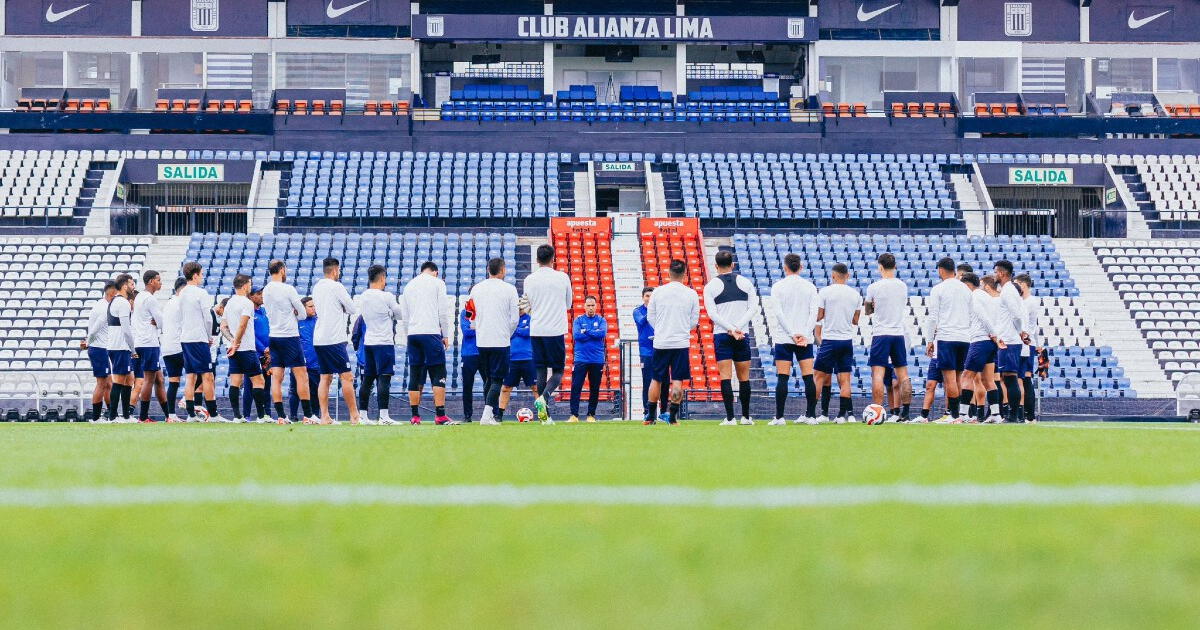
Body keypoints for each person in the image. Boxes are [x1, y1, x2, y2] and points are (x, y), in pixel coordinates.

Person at [703, 250, 760, 426]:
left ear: (716, 266)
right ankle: (746, 417)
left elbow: (712, 313)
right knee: (744, 377)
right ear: (733, 265)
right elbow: (753, 308)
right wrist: (737, 328)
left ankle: (730, 418)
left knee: (725, 377)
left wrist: (729, 328)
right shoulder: (745, 282)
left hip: (722, 334)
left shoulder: (710, 286)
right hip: (741, 334)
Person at [645, 259, 699, 425]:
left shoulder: (658, 292)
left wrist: (661, 329)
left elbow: (650, 317)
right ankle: (673, 418)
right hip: (681, 342)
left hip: (661, 342)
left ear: (668, 273)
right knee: (677, 380)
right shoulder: (691, 293)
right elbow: (694, 321)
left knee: (656, 379)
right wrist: (681, 329)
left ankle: (651, 417)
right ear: (684, 274)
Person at [467, 257, 519, 425]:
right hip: (500, 340)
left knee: (489, 379)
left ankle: (488, 414)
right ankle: (486, 415)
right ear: (503, 270)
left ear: (489, 270)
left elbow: (470, 314)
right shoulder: (510, 289)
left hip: (482, 341)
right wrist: (507, 334)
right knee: (497, 380)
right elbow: (514, 319)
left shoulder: (476, 289)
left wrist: (478, 328)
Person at [769, 253, 820, 425]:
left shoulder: (778, 287)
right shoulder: (810, 287)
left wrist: (792, 333)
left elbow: (778, 313)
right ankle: (811, 416)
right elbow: (814, 314)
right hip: (804, 338)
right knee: (808, 377)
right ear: (801, 267)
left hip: (784, 337)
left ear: (785, 267)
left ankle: (779, 417)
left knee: (783, 377)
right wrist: (804, 333)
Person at [524, 244, 573, 424]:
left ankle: (545, 417)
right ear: (553, 258)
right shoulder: (562, 277)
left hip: (536, 329)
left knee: (541, 371)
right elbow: (569, 304)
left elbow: (527, 304)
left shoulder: (529, 279)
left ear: (537, 260)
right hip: (555, 329)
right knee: (558, 371)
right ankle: (543, 399)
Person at [263, 259, 315, 424]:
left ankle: (280, 416)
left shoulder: (266, 290)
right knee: (301, 375)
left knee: (277, 377)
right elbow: (302, 313)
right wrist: (294, 313)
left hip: (274, 336)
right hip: (290, 336)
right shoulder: (288, 289)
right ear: (282, 270)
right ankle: (308, 415)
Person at [402, 261, 454, 425]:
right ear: (435, 272)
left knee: (415, 373)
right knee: (438, 372)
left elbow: (405, 315)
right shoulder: (438, 283)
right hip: (430, 332)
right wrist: (445, 334)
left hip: (413, 333)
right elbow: (443, 312)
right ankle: (440, 415)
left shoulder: (409, 285)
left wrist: (408, 335)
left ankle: (415, 416)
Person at [312, 257, 361, 425]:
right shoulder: (337, 286)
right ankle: (354, 416)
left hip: (319, 338)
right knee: (346, 377)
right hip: (334, 338)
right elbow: (352, 308)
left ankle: (324, 416)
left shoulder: (317, 287)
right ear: (335, 270)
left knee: (325, 377)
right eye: (338, 271)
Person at [864, 253, 912, 423]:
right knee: (903, 374)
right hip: (898, 332)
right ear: (895, 266)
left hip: (881, 333)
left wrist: (874, 306)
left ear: (880, 267)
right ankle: (905, 413)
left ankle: (876, 411)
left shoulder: (874, 287)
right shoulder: (902, 286)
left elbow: (868, 311)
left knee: (878, 374)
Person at [923, 256, 972, 423]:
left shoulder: (938, 289)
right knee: (958, 377)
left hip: (947, 337)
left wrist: (930, 340)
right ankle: (958, 415)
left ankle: (953, 414)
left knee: (949, 378)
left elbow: (933, 317)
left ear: (941, 270)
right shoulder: (966, 289)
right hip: (964, 338)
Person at [356, 264, 406, 425]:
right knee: (384, 379)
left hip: (369, 342)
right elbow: (399, 314)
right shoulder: (387, 296)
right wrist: (390, 313)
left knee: (367, 380)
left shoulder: (363, 296)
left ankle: (363, 415)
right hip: (384, 342)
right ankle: (384, 416)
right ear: (382, 277)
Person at [813, 263, 863, 423]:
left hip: (830, 339)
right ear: (847, 275)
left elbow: (818, 317)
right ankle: (842, 415)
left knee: (818, 377)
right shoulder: (855, 295)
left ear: (833, 276)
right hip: (846, 340)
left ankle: (810, 413)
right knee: (845, 379)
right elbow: (856, 321)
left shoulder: (825, 292)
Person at [178, 262, 222, 422]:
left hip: (186, 338)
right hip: (198, 338)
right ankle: (214, 414)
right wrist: (210, 335)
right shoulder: (201, 293)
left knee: (190, 376)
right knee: (207, 376)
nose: (202, 276)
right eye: (201, 274)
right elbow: (208, 317)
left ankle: (190, 414)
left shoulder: (181, 293)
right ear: (195, 275)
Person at [224, 274, 269, 423]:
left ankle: (237, 416)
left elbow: (223, 326)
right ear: (244, 285)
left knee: (235, 381)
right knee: (259, 381)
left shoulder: (229, 302)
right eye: (250, 284)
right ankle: (262, 417)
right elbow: (243, 325)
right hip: (246, 348)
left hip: (233, 349)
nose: (250, 286)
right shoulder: (246, 303)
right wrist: (236, 342)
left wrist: (231, 342)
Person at [960, 273, 1004, 424]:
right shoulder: (987, 297)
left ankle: (963, 414)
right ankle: (996, 414)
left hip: (980, 340)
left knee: (967, 376)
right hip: (989, 343)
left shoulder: (975, 296)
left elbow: (983, 316)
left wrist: (993, 334)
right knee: (988, 380)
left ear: (967, 285)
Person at [993, 260, 1030, 423]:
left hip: (1009, 339)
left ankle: (1013, 415)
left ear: (1001, 273)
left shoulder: (1008, 291)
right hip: (1008, 338)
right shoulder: (1007, 290)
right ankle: (1012, 414)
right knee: (1008, 377)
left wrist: (1020, 332)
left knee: (1010, 377)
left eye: (995, 272)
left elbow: (1016, 315)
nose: (994, 275)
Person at [132, 270, 168, 422]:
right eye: (159, 280)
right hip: (149, 343)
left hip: (140, 341)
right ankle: (143, 417)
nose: (161, 283)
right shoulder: (150, 299)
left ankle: (169, 415)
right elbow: (161, 321)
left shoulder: (140, 296)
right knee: (149, 380)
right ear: (151, 281)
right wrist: (157, 322)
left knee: (159, 379)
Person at [568, 295, 608, 423]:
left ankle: (591, 415)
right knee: (576, 387)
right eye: (588, 305)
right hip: (581, 359)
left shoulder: (602, 320)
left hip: (597, 359)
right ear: (584, 306)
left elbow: (601, 334)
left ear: (596, 306)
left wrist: (586, 331)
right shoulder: (578, 320)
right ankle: (574, 415)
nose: (590, 308)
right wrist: (592, 332)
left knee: (594, 388)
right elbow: (577, 336)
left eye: (592, 305)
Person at [81, 280, 116, 423]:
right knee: (102, 384)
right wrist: (88, 342)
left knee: (108, 384)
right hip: (99, 348)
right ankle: (96, 418)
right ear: (112, 292)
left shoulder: (103, 305)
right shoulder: (104, 308)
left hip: (100, 348)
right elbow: (95, 328)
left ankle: (110, 415)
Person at [106, 273, 138, 423]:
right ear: (125, 285)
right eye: (131, 284)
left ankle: (125, 415)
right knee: (119, 381)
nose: (133, 287)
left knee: (129, 379)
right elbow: (126, 329)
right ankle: (112, 417)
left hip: (116, 345)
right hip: (120, 346)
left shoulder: (114, 301)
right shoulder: (123, 303)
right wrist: (133, 349)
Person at [498, 297, 537, 422]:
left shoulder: (531, 319)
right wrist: (519, 331)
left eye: (521, 306)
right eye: (517, 307)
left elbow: (528, 332)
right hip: (511, 359)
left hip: (528, 358)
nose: (519, 309)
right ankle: (499, 415)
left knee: (536, 388)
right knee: (505, 388)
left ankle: (543, 414)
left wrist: (516, 330)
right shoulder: (508, 320)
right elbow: (505, 333)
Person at [632, 287, 666, 422]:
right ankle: (647, 412)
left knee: (663, 381)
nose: (649, 298)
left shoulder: (660, 311)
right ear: (643, 297)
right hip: (646, 350)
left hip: (661, 348)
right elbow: (641, 321)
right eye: (647, 296)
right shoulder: (637, 311)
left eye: (652, 296)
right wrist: (652, 311)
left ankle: (663, 412)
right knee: (647, 382)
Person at [289, 297, 322, 422]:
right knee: (295, 390)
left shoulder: (319, 321)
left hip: (315, 362)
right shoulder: (295, 322)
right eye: (310, 306)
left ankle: (315, 415)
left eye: (314, 306)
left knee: (315, 391)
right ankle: (293, 416)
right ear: (303, 308)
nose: (314, 308)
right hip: (298, 363)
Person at [159, 277, 187, 422]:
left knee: (174, 381)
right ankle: (187, 398)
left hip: (166, 347)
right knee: (202, 373)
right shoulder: (181, 303)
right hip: (179, 346)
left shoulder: (168, 303)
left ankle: (171, 415)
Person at [1015, 273, 1040, 422]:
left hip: (1025, 343)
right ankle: (1027, 415)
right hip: (1029, 343)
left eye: (1017, 284)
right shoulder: (1030, 301)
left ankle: (1026, 414)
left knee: (1023, 378)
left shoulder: (1028, 302)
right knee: (1024, 378)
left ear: (1023, 285)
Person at [459, 305, 484, 423]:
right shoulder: (465, 313)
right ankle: (467, 415)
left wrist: (474, 328)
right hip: (468, 354)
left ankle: (490, 414)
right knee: (467, 386)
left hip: (484, 352)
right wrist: (481, 328)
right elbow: (466, 332)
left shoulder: (485, 310)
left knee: (489, 383)